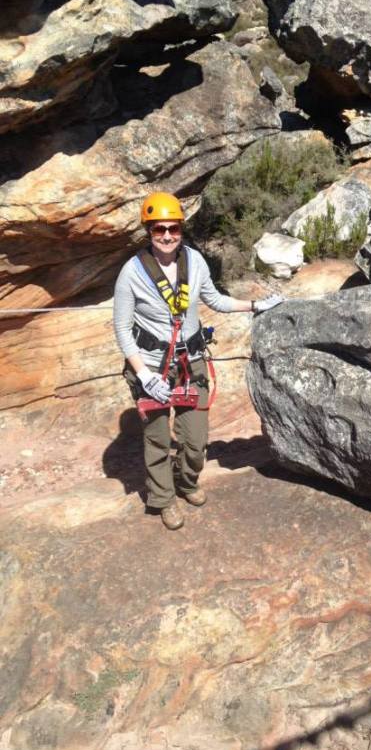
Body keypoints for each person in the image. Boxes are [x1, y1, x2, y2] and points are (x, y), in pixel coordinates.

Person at [113, 191, 283, 530]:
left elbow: (215, 301)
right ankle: (163, 499)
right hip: (152, 366)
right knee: (158, 438)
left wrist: (254, 305)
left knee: (194, 439)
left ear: (181, 230)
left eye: (173, 229)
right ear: (148, 230)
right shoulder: (131, 272)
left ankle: (187, 481)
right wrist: (144, 375)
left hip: (191, 362)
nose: (166, 236)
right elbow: (121, 329)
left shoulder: (194, 261)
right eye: (159, 229)